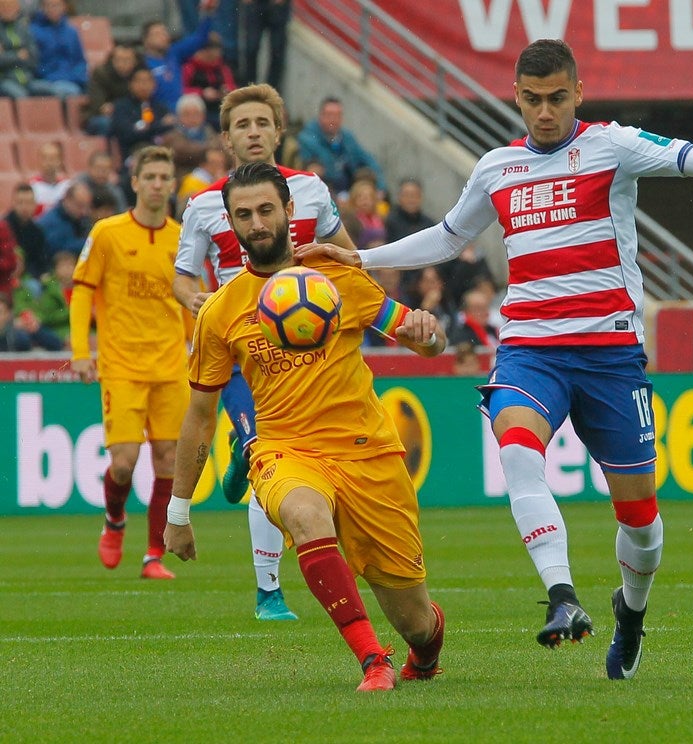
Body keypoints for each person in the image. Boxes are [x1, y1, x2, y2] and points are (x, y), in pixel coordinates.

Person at [309, 39, 693, 680]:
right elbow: (449, 235)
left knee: (642, 522)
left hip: (610, 356)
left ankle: (630, 613)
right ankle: (562, 597)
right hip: (530, 348)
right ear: (516, 97)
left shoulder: (612, 146)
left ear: (579, 94)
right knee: (516, 448)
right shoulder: (495, 168)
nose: (545, 112)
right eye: (532, 99)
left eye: (557, 98)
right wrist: (361, 259)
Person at [165, 161, 447, 692]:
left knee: (415, 620)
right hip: (283, 449)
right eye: (242, 215)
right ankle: (372, 659)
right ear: (230, 223)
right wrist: (178, 512)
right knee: (302, 511)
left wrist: (430, 335)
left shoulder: (337, 278)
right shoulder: (220, 312)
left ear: (290, 211)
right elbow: (199, 415)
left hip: (369, 453)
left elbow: (418, 339)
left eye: (266, 210)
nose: (256, 223)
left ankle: (423, 652)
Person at [172, 83, 360, 621]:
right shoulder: (206, 205)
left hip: (308, 353)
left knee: (288, 461)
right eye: (241, 126)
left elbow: (348, 257)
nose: (252, 133)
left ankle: (244, 455)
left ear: (278, 132)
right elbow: (183, 279)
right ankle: (269, 591)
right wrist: (199, 301)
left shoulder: (312, 192)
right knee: (267, 456)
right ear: (227, 139)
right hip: (239, 349)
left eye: (261, 123)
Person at [69, 146, 187, 580]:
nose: (158, 184)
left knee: (168, 461)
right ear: (134, 182)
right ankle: (115, 519)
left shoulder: (183, 238)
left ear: (173, 184)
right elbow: (82, 291)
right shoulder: (107, 233)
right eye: (150, 176)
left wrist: (201, 354)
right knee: (123, 461)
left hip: (172, 365)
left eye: (164, 177)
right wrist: (82, 353)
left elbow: (193, 302)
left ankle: (153, 555)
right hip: (121, 365)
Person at [297, 97, 386, 198]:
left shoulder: (347, 137)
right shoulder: (307, 137)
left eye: (337, 115)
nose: (333, 120)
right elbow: (328, 166)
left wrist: (380, 187)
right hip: (322, 190)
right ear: (320, 116)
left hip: (350, 190)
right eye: (329, 115)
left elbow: (368, 159)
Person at [141, 13, 216, 111]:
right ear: (146, 40)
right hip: (158, 114)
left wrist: (207, 14)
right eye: (157, 34)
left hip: (181, 112)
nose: (163, 37)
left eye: (165, 33)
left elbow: (200, 39)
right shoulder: (142, 63)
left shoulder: (173, 53)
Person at [109, 66, 177, 166]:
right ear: (130, 84)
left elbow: (170, 127)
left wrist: (147, 128)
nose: (144, 85)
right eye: (139, 81)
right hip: (131, 156)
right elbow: (127, 135)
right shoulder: (122, 107)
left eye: (148, 81)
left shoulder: (160, 107)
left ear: (154, 84)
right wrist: (159, 125)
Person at [80, 43, 144, 137]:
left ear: (135, 62)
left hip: (129, 114)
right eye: (118, 60)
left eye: (127, 60)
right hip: (99, 117)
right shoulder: (101, 74)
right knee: (105, 123)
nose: (122, 64)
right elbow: (98, 105)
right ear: (112, 60)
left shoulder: (139, 75)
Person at [28, 0, 87, 98]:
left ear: (64, 7)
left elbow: (79, 60)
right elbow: (35, 63)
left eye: (56, 5)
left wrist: (77, 77)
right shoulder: (33, 31)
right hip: (46, 80)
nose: (52, 9)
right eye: (48, 6)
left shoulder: (72, 32)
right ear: (42, 8)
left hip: (72, 79)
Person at [182, 35, 237, 130]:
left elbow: (232, 86)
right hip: (199, 110)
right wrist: (202, 93)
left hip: (219, 109)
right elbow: (181, 90)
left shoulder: (223, 68)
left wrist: (227, 90)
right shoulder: (189, 68)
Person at [162, 92, 220, 178]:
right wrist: (208, 149)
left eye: (196, 114)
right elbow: (182, 151)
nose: (192, 118)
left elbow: (220, 147)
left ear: (203, 116)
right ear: (179, 116)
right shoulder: (171, 135)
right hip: (183, 176)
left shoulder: (209, 130)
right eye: (187, 114)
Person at [0, 0, 49, 99]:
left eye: (12, 7)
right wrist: (18, 56)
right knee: (22, 97)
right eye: (5, 7)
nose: (9, 10)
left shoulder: (24, 29)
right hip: (6, 80)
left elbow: (34, 58)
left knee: (52, 92)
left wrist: (7, 54)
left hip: (28, 79)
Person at [240, 0, 291, 91]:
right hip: (256, 4)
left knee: (277, 50)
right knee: (251, 48)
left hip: (278, 7)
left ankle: (271, 90)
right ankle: (249, 88)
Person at [37, 180, 92, 259]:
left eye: (86, 206)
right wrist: (89, 243)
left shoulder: (79, 219)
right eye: (79, 206)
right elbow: (60, 249)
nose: (84, 212)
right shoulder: (51, 222)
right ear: (67, 200)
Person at [5, 183, 49, 280]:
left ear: (35, 204)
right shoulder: (4, 228)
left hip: (30, 277)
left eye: (29, 202)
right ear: (13, 203)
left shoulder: (38, 231)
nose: (25, 207)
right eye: (20, 202)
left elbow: (41, 263)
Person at [384, 177, 433, 243]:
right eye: (406, 195)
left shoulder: (429, 225)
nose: (411, 200)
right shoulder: (388, 223)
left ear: (421, 197)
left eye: (414, 195)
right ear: (399, 197)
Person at [28, 141, 70, 217]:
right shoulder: (32, 186)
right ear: (39, 160)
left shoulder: (67, 186)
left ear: (60, 161)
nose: (49, 162)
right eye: (45, 158)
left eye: (53, 158)